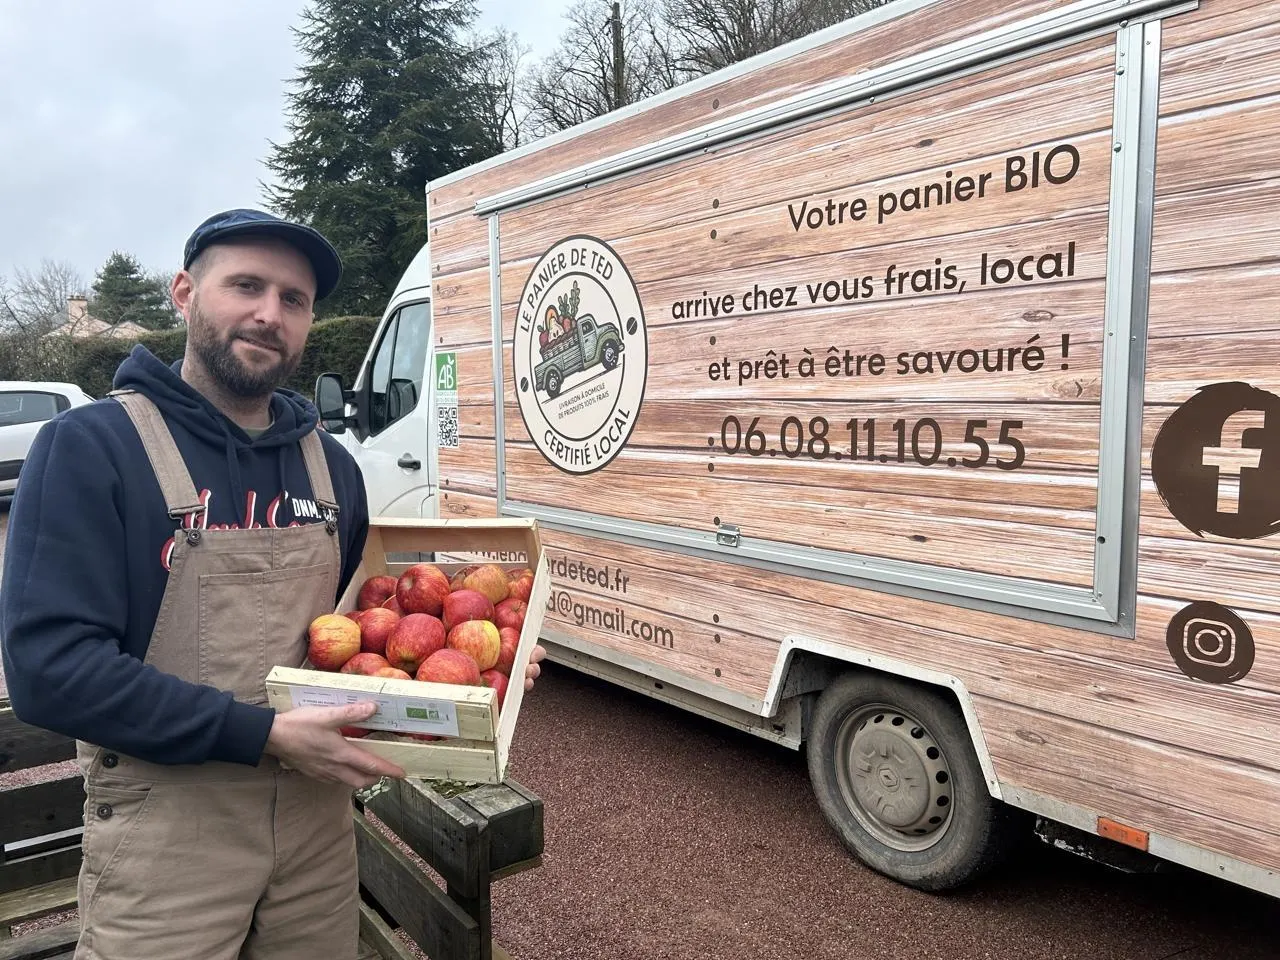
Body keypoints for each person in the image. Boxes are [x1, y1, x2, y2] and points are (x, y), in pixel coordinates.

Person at [0, 208, 545, 960]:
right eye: (246, 285)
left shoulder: (332, 469)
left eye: (294, 299)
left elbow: (355, 647)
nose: (269, 313)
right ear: (185, 293)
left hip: (318, 833)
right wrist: (263, 734)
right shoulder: (92, 449)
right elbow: (49, 672)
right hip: (169, 836)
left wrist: (483, 673)